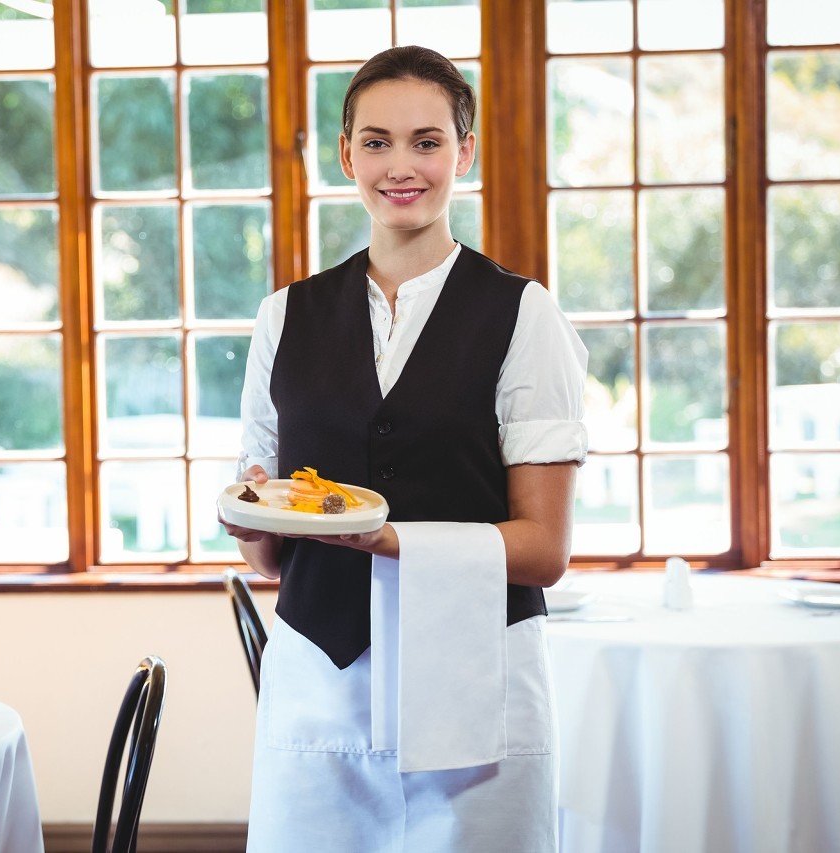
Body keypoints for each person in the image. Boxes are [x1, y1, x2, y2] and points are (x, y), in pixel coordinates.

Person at [219, 45, 588, 852]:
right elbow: (272, 561)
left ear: (465, 151)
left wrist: (388, 540)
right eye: (377, 141)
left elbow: (544, 548)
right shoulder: (284, 316)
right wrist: (249, 518)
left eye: (426, 141)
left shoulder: (525, 316)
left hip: (477, 683)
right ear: (346, 153)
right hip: (324, 677)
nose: (401, 165)